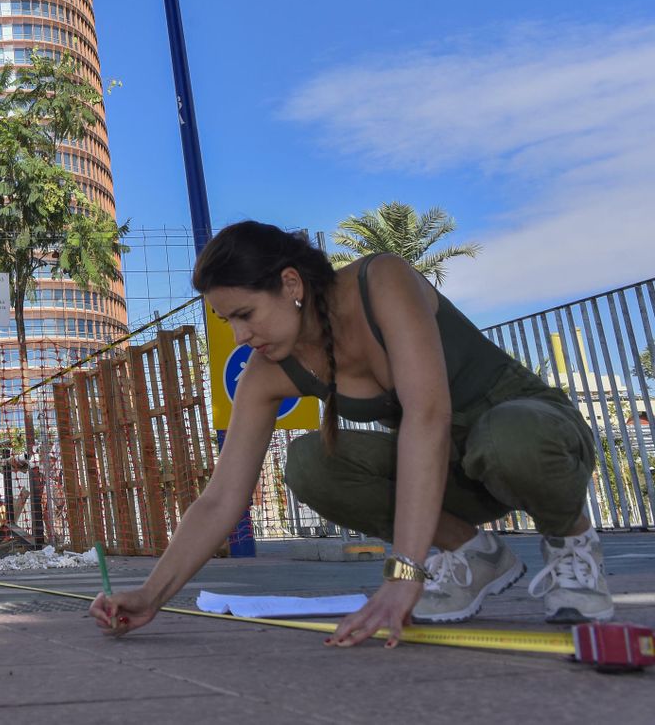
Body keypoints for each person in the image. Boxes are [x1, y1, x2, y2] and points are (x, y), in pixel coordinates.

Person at [90, 221, 610, 648]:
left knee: (508, 437)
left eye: (245, 315)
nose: (240, 336)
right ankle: (475, 554)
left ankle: (571, 542)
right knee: (310, 463)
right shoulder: (266, 372)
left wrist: (405, 573)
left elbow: (427, 415)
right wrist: (152, 594)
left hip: (526, 429)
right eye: (228, 321)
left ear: (291, 284)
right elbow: (222, 498)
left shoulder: (380, 281)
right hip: (450, 469)